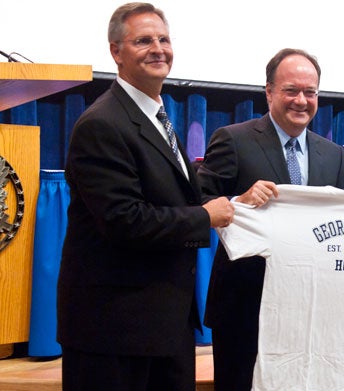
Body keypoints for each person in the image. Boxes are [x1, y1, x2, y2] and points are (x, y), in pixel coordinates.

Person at [57, 3, 234, 390]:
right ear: (116, 52)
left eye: (164, 39)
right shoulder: (102, 124)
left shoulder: (157, 115)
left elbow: (175, 194)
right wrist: (205, 217)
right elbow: (124, 220)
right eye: (143, 41)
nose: (158, 48)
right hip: (114, 332)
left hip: (162, 325)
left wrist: (239, 200)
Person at [196, 48, 344, 390]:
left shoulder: (334, 155)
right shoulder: (233, 139)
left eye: (310, 92)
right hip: (244, 306)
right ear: (268, 91)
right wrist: (238, 202)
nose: (301, 100)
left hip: (309, 310)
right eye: (291, 90)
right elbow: (197, 201)